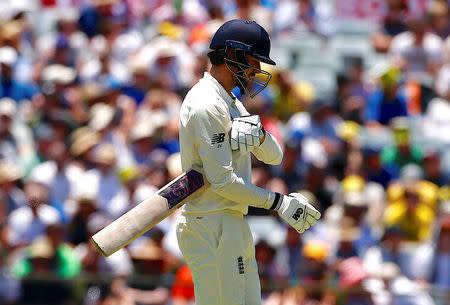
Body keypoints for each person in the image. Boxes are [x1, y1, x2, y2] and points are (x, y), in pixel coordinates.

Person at [176, 19, 321, 305]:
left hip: (230, 221)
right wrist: (279, 203)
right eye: (254, 62)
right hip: (209, 222)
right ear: (232, 55)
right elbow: (221, 181)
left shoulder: (230, 100)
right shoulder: (206, 103)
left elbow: (274, 156)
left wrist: (258, 135)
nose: (256, 72)